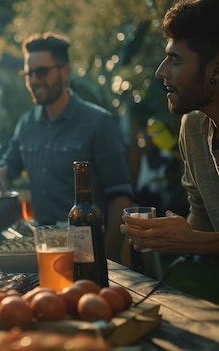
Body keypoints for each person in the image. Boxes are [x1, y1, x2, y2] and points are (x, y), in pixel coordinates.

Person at [1, 33, 134, 261]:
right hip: (44, 253)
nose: (33, 80)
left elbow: (120, 198)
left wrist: (107, 259)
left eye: (41, 72)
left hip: (88, 254)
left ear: (65, 71)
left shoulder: (98, 122)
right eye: (28, 74)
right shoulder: (26, 124)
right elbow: (5, 171)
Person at [120, 0, 219, 304]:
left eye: (175, 60)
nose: (161, 72)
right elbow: (202, 221)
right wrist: (166, 234)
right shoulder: (193, 129)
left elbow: (201, 240)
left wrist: (195, 242)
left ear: (215, 69)